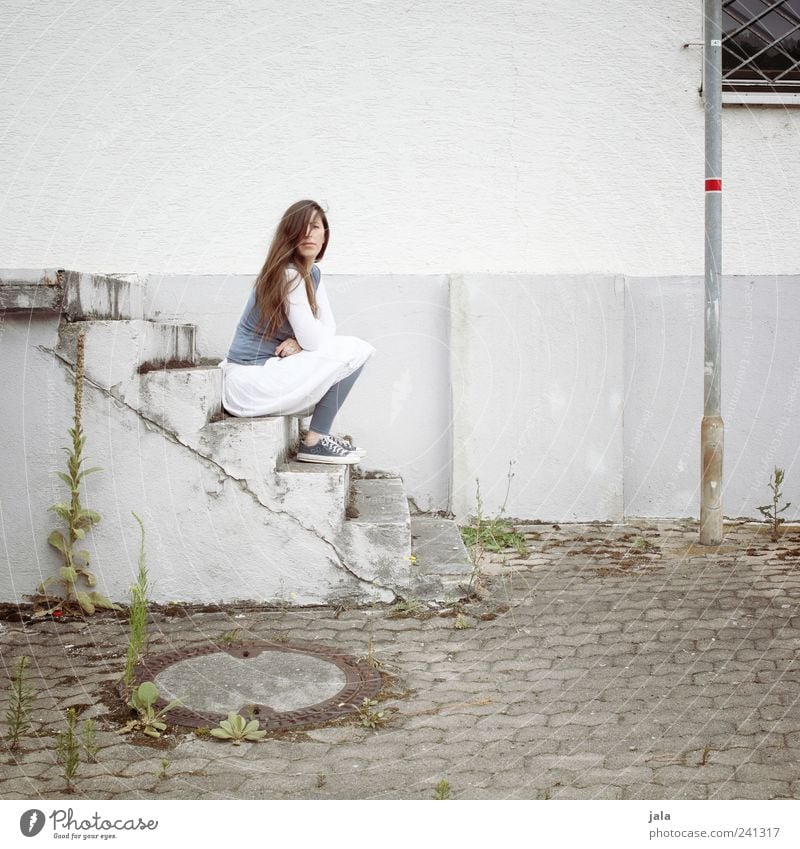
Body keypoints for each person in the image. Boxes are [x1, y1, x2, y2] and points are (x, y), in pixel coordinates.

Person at [221, 200, 374, 464]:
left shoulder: (311, 273)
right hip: (248, 382)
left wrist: (301, 342)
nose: (308, 234)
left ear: (325, 235)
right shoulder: (288, 274)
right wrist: (305, 341)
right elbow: (316, 338)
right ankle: (315, 441)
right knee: (356, 349)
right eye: (300, 228)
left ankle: (320, 436)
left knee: (353, 349)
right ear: (288, 234)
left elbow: (328, 328)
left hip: (261, 376)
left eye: (315, 227)